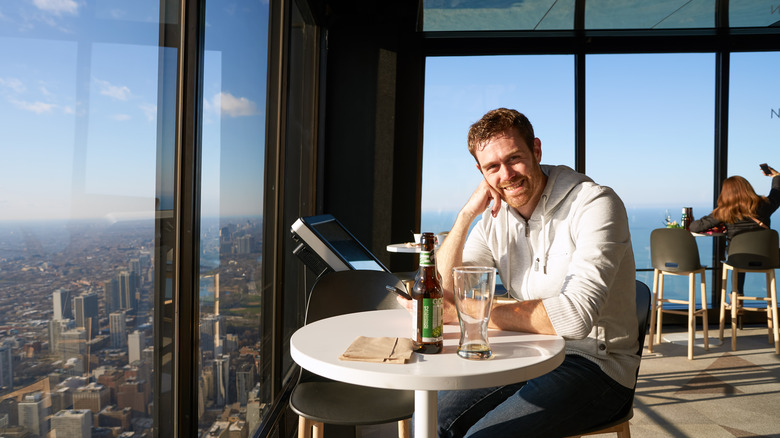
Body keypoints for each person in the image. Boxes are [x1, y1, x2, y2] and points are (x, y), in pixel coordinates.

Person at [430, 108, 639, 437]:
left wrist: (468, 312)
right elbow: (445, 291)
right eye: (492, 167)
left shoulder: (595, 204)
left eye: (514, 158)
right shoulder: (493, 220)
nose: (507, 175)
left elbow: (574, 318)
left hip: (594, 365)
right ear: (481, 172)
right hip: (528, 353)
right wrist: (466, 215)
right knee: (431, 421)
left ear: (536, 150)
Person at [689, 167, 780, 294]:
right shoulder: (765, 205)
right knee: (743, 251)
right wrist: (776, 176)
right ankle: (770, 306)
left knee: (738, 255)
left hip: (737, 258)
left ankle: (736, 296)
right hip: (767, 257)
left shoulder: (724, 211)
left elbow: (695, 227)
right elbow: (777, 193)